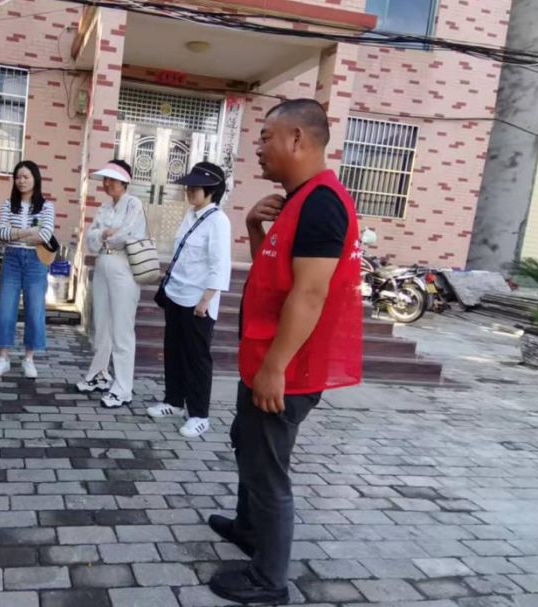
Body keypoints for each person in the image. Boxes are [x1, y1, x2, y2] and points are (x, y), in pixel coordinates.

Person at [207, 99, 363, 604]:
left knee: (267, 468)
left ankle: (269, 579)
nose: (258, 147)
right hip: (264, 358)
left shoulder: (321, 203)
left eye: (266, 136)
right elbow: (275, 277)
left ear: (298, 138)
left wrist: (275, 368)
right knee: (247, 445)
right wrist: (255, 228)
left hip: (286, 368)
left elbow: (310, 294)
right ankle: (249, 529)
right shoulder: (298, 200)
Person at [145, 162, 232, 437]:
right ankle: (173, 401)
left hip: (198, 302)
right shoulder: (191, 216)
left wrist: (206, 300)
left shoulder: (218, 221)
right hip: (176, 294)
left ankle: (199, 414)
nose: (190, 191)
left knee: (196, 358)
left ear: (212, 190)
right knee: (173, 351)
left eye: (196, 187)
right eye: (189, 186)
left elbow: (219, 265)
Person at [77, 160, 146, 408]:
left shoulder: (134, 204)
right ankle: (99, 373)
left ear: (124, 181)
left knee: (122, 330)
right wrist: (105, 233)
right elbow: (91, 239)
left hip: (123, 269)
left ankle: (123, 387)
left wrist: (106, 234)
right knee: (102, 325)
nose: (107, 184)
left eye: (112, 179)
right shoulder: (105, 207)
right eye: (105, 179)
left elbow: (127, 235)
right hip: (102, 266)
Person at [0, 160, 56, 378]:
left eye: (26, 177)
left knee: (35, 311)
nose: (21, 181)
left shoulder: (47, 206)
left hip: (36, 262)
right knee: (5, 309)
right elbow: (1, 232)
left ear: (35, 179)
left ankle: (29, 359)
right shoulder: (8, 205)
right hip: (11, 260)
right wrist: (28, 232)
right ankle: (3, 358)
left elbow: (45, 235)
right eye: (18, 177)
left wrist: (16, 232)